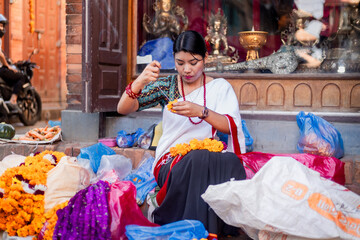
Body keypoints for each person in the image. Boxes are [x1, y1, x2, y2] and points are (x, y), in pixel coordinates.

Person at [117, 30, 246, 236]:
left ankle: (203, 231)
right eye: (180, 62)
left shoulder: (219, 87)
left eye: (193, 62)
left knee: (230, 164)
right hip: (171, 159)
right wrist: (140, 81)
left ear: (205, 59)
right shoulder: (167, 86)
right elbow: (123, 108)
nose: (187, 69)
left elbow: (230, 126)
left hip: (205, 156)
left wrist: (201, 112)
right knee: (197, 161)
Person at [0, 14, 26, 105]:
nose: (1, 28)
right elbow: (0, 55)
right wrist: (7, 65)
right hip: (1, 69)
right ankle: (13, 99)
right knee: (22, 76)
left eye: (2, 25)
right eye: (0, 25)